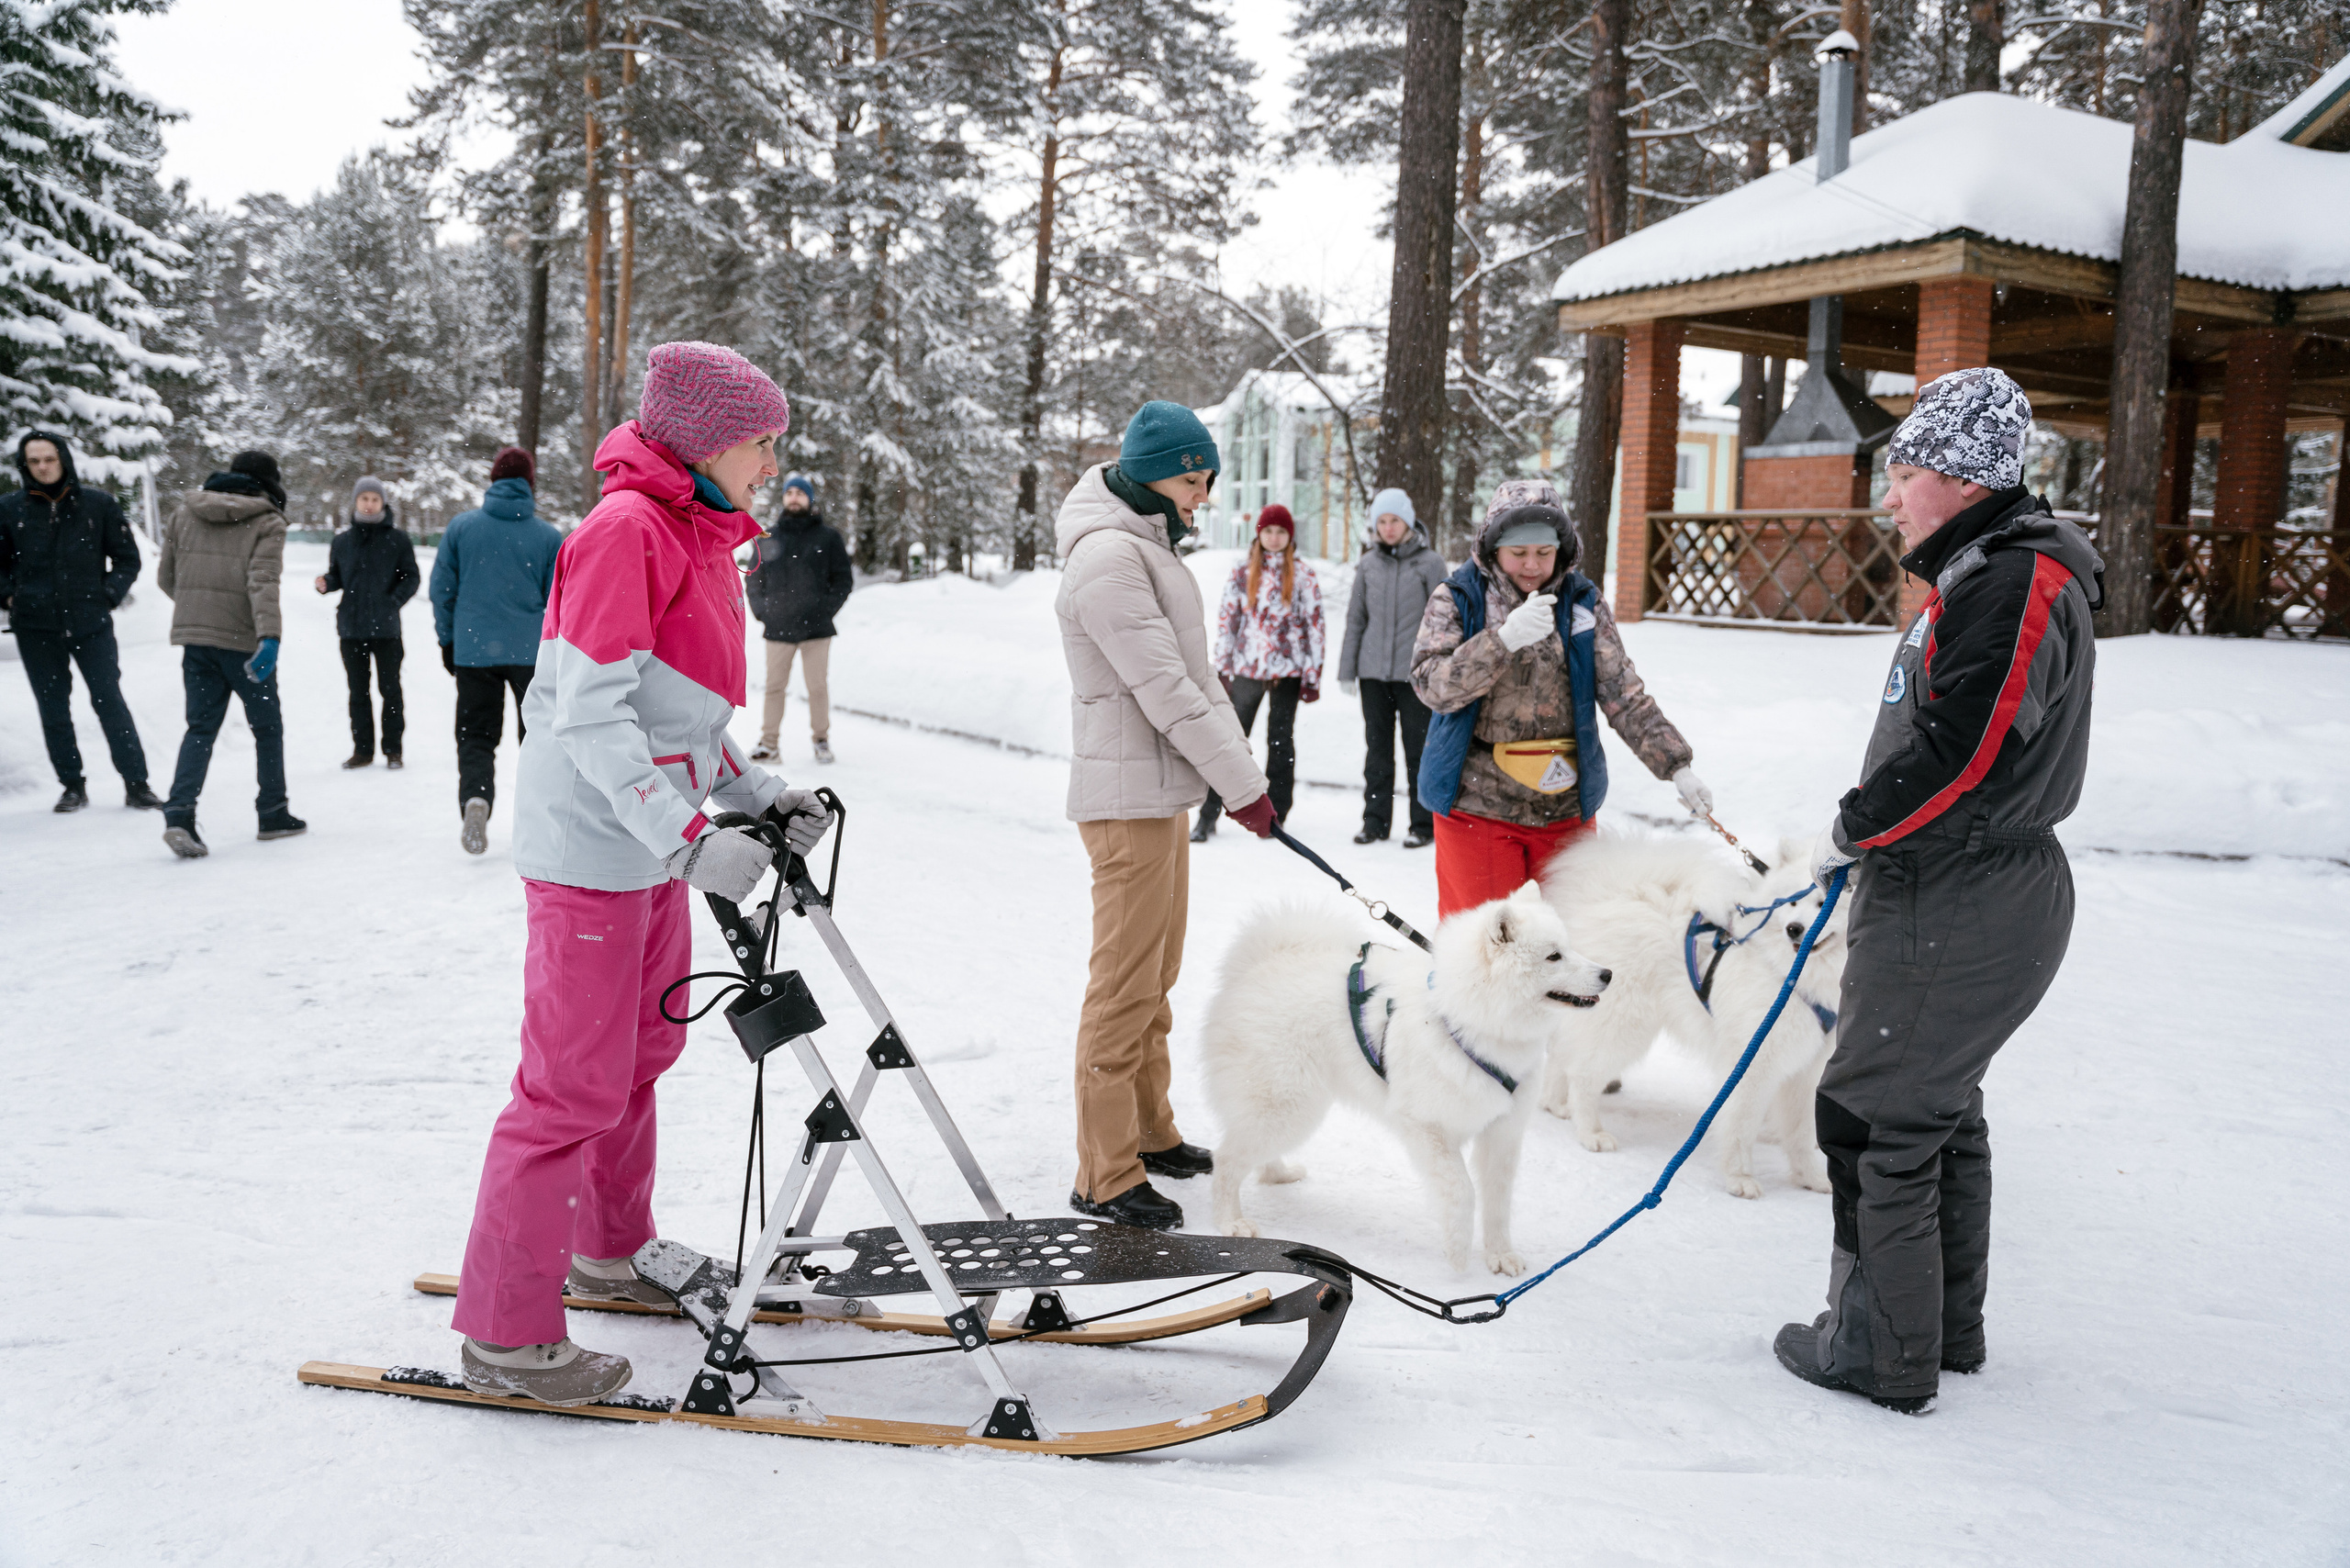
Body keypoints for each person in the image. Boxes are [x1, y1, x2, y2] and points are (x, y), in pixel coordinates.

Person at [452, 342, 833, 1406]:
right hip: (594, 856)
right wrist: (684, 837)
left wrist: (753, 793)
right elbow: (590, 711)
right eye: (762, 442)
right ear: (711, 442)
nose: (774, 461)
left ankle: (609, 1249)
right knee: (567, 1085)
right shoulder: (627, 532)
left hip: (650, 853)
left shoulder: (701, 534)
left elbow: (683, 719)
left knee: (640, 1050)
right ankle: (504, 1335)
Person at [1777, 367, 2101, 1416]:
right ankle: (1937, 1330)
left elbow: (1964, 749)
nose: (1890, 493)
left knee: (1874, 1120)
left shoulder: (2014, 580)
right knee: (1933, 1111)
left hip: (1960, 885)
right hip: (1943, 876)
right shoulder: (1982, 571)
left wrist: (1853, 823)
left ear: (1962, 478)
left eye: (1905, 469)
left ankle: (1876, 1350)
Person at [1055, 399, 1275, 1232]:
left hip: (1157, 794)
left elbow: (1201, 681)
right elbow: (1165, 691)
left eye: (1207, 480)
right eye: (1192, 479)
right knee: (1121, 986)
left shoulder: (1143, 546)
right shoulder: (1111, 558)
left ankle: (1148, 1132)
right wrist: (1240, 788)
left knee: (1156, 977)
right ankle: (1103, 1173)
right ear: (1150, 472)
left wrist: (1240, 775)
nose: (1202, 496)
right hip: (1125, 801)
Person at [1410, 479, 1712, 919]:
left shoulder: (1582, 602)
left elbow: (1622, 692)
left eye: (1544, 552)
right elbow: (1431, 686)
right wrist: (1502, 640)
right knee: (1486, 951)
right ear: (1493, 548)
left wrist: (1677, 766)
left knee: (1570, 947)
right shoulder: (1458, 598)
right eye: (1518, 553)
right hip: (1477, 806)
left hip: (1562, 806)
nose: (1532, 565)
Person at [0, 430, 159, 812]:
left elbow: (127, 559)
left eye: (49, 459)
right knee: (53, 708)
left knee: (110, 702)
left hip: (91, 623)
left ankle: (136, 783)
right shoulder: (9, 509)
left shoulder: (98, 505)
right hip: (36, 627)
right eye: (34, 461)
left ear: (64, 459)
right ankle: (72, 784)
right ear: (25, 465)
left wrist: (107, 595)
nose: (42, 467)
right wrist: (11, 597)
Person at [155, 451, 303, 858]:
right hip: (244, 644)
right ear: (269, 483)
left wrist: (200, 614)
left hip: (196, 642)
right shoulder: (267, 520)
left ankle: (180, 813)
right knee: (267, 727)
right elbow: (263, 582)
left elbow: (167, 578)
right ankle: (272, 812)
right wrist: (269, 637)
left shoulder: (185, 512)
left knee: (200, 729)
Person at [431, 447, 563, 855]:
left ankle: (477, 799)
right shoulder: (547, 536)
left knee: (476, 735)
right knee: (537, 738)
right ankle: (536, 819)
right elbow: (560, 599)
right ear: (530, 484)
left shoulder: (461, 528)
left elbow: (441, 590)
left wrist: (448, 639)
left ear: (493, 479)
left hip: (473, 649)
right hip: (530, 653)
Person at [1193, 505, 1324, 842]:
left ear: (1290, 536)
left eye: (1281, 532)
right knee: (1231, 746)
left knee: (1280, 744)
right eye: (1269, 531)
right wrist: (1222, 668)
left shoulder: (1304, 575)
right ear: (1259, 534)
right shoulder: (1242, 572)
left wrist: (1312, 674)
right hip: (1247, 671)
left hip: (1288, 674)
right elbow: (1228, 622)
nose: (1274, 538)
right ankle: (1207, 815)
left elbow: (1315, 626)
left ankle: (1276, 817)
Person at [1338, 487, 1446, 849]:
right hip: (1373, 674)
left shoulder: (1430, 563)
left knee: (1419, 751)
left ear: (1408, 521)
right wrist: (1346, 670)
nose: (1388, 527)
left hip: (1415, 676)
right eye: (1381, 521)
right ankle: (1375, 822)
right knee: (1377, 750)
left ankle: (1422, 824)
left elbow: (1444, 620)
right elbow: (1356, 619)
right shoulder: (1368, 564)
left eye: (1394, 520)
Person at [744, 472, 852, 765]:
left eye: (800, 493)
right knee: (773, 687)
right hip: (778, 628)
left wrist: (825, 609)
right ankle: (769, 744)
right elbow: (754, 580)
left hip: (817, 629)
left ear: (809, 499)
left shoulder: (828, 538)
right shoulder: (767, 537)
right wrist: (763, 612)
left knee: (817, 687)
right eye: (790, 493)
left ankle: (821, 740)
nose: (794, 498)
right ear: (784, 498)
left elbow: (843, 580)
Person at [315, 476, 419, 769]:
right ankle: (362, 751)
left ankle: (393, 750)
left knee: (390, 689)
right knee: (357, 691)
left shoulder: (397, 539)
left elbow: (411, 577)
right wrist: (327, 582)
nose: (369, 504)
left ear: (382, 502)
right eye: (364, 499)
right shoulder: (343, 541)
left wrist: (392, 602)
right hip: (351, 628)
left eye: (375, 499)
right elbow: (337, 575)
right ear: (356, 502)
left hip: (387, 630)